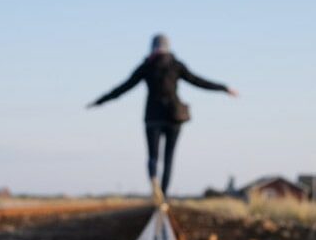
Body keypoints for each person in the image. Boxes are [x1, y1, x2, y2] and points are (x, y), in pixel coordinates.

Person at [87, 34, 238, 206]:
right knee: (169, 158)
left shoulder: (147, 66)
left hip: (152, 117)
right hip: (174, 116)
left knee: (153, 156)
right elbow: (199, 81)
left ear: (152, 47)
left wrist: (99, 101)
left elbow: (124, 87)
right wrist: (224, 88)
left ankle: (153, 178)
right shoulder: (175, 65)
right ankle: (163, 198)